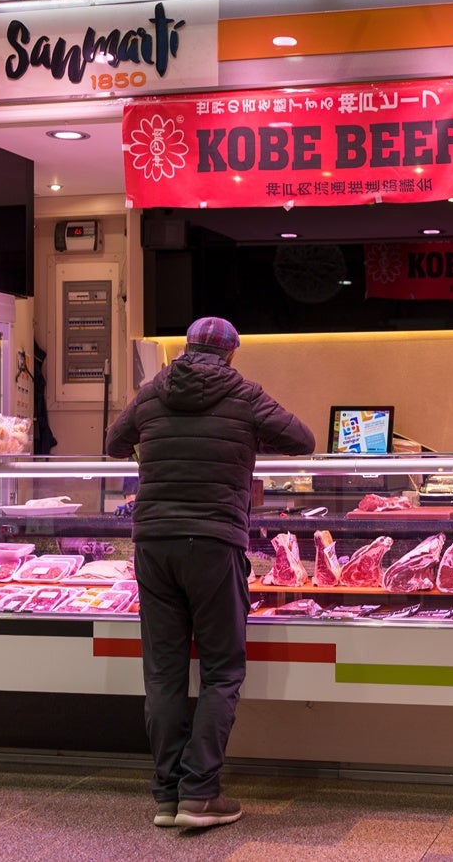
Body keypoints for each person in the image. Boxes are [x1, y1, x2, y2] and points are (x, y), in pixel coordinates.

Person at [106, 317, 314, 829]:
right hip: (213, 542)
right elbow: (304, 441)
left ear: (185, 348)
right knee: (222, 669)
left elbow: (114, 443)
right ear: (231, 355)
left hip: (153, 544)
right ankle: (200, 793)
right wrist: (249, 442)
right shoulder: (243, 392)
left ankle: (167, 797)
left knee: (164, 673)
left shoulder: (153, 391)